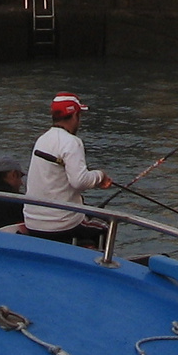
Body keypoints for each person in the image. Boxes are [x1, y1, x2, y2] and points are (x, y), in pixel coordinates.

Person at [25, 93, 113, 246]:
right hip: (60, 224)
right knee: (106, 225)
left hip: (32, 221)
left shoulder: (42, 139)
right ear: (74, 115)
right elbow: (79, 181)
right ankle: (98, 262)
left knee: (87, 218)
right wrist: (100, 176)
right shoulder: (72, 142)